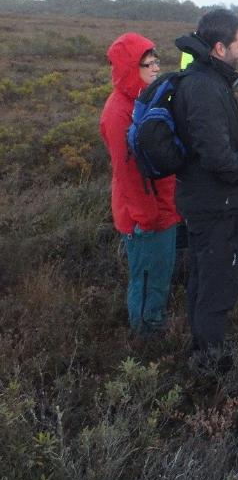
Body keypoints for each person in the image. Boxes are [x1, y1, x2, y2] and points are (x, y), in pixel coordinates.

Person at [172, 10, 238, 363]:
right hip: (214, 203)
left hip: (209, 200)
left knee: (205, 276)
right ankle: (210, 361)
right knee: (217, 282)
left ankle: (202, 349)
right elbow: (216, 154)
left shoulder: (208, 79)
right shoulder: (204, 87)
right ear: (220, 48)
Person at [99, 33, 180, 336]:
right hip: (144, 216)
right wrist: (148, 218)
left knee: (159, 275)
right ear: (130, 68)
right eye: (149, 63)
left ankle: (153, 325)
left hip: (162, 208)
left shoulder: (143, 101)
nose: (156, 68)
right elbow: (128, 174)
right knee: (147, 278)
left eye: (157, 61)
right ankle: (144, 337)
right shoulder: (118, 113)